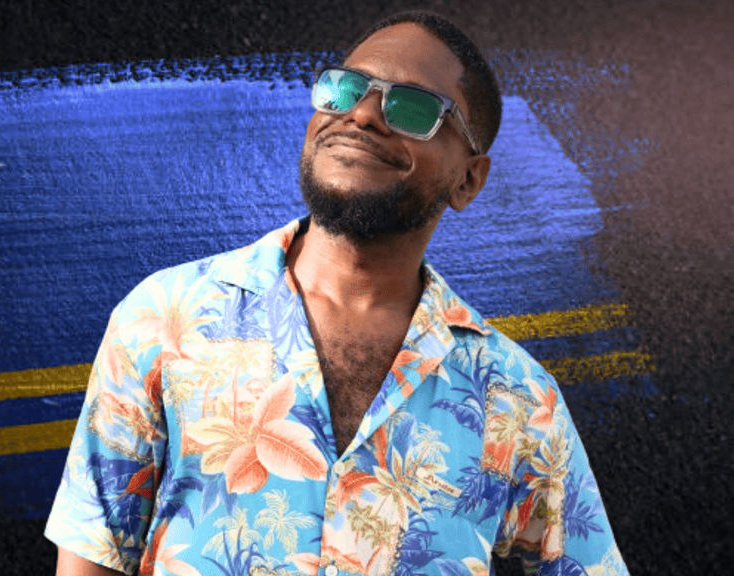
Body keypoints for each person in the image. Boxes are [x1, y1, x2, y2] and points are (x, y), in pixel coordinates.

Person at [46, 10, 629, 576]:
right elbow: (94, 555)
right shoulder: (164, 317)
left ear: (469, 179)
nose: (363, 114)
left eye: (413, 107)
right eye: (345, 89)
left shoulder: (519, 397)